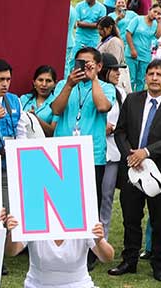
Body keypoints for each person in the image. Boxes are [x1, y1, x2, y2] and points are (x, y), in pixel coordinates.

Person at [46, 47, 115, 191]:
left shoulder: (107, 87)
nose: (84, 67)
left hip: (92, 154)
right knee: (61, 196)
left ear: (99, 66)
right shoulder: (63, 85)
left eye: (88, 63)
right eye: (80, 63)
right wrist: (69, 85)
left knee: (90, 201)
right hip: (62, 150)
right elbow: (56, 110)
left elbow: (102, 106)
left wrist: (94, 79)